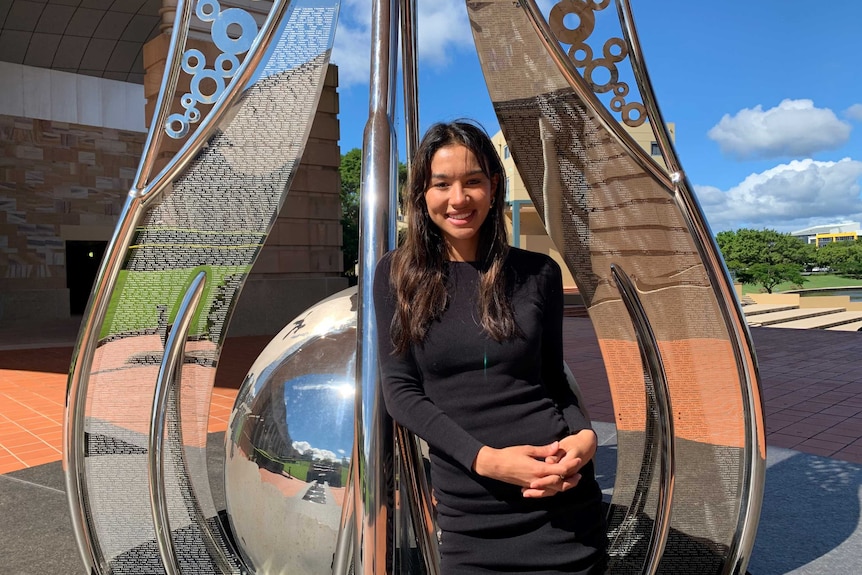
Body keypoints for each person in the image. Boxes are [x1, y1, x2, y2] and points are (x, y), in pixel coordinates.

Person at [373, 120, 607, 574]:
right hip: (474, 511)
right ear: (422, 193)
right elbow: (401, 393)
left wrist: (584, 437)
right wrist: (488, 461)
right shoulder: (396, 275)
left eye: (473, 181)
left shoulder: (539, 273)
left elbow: (552, 379)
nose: (458, 199)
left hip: (564, 505)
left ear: (494, 186)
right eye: (442, 184)